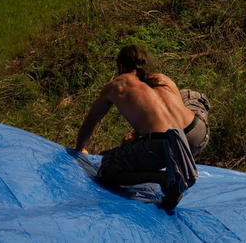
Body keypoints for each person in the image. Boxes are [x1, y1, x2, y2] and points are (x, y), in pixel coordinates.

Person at [75, 45, 209, 209]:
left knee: (108, 168)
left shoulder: (117, 85)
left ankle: (163, 178)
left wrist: (80, 148)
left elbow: (91, 121)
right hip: (198, 133)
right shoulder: (162, 78)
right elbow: (165, 115)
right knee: (189, 95)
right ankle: (169, 157)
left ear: (122, 66)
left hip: (164, 145)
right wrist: (138, 134)